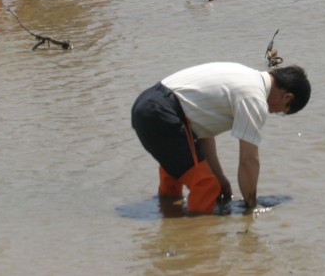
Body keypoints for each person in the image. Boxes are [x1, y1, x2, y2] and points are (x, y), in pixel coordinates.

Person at [132, 62, 311, 213]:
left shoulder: (245, 75)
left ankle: (171, 222)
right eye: (282, 111)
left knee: (177, 175)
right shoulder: (254, 97)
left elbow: (203, 134)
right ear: (287, 97)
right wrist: (251, 207)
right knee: (206, 186)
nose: (273, 112)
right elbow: (249, 160)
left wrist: (221, 178)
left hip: (148, 105)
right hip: (161, 113)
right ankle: (196, 241)